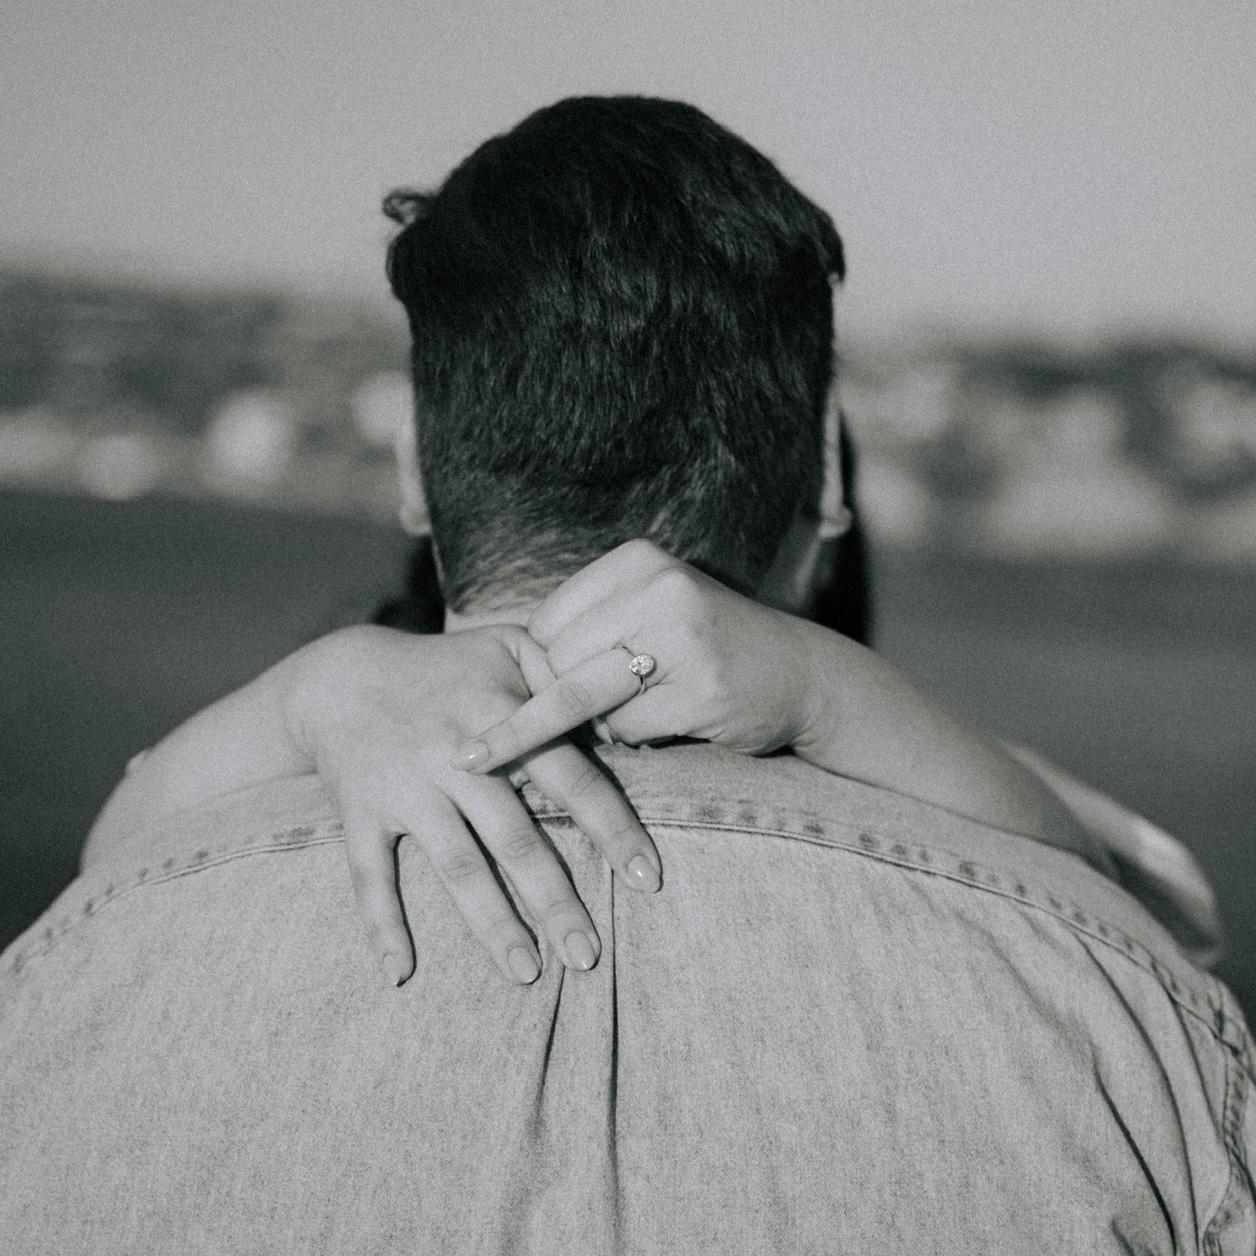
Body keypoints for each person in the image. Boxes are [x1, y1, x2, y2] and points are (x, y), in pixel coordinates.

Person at [2, 96, 1252, 1252]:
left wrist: (307, 695)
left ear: (412, 469)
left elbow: (112, 861)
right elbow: (1133, 892)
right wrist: (829, 690)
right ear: (825, 469)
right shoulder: (1113, 998)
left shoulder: (75, 978)